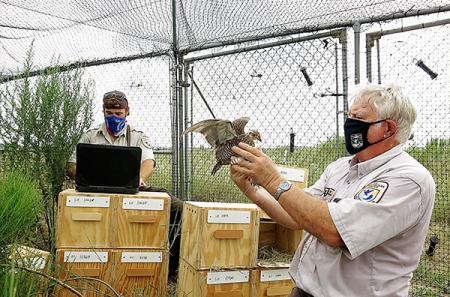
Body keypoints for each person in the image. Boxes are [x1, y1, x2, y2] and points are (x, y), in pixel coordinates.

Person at [229, 84, 435, 297]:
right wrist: (252, 189)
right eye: (349, 115)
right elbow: (296, 216)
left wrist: (272, 179)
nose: (349, 123)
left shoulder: (408, 179)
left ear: (389, 128)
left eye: (359, 118)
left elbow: (335, 232)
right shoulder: (340, 168)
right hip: (303, 291)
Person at [67, 90, 155, 185]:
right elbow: (72, 164)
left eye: (118, 114)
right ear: (103, 111)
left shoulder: (138, 136)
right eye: (109, 113)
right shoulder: (90, 136)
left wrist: (140, 179)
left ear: (127, 112)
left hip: (128, 188)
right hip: (95, 188)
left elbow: (149, 161)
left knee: (171, 199)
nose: (114, 118)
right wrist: (85, 180)